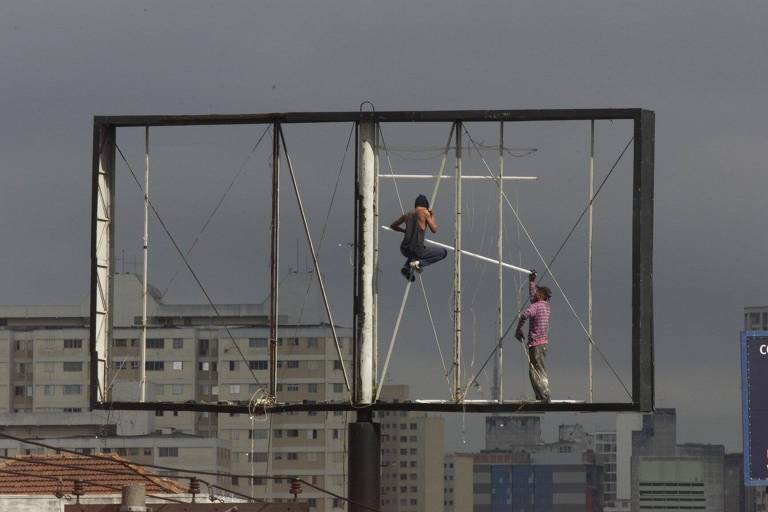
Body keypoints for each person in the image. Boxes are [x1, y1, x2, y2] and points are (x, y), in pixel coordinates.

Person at [389, 194, 448, 281]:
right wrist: (432, 215)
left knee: (414, 253)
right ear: (426, 206)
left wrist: (403, 230)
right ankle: (419, 264)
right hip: (417, 249)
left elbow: (392, 226)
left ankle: (407, 267)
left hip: (404, 249)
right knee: (443, 252)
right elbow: (434, 229)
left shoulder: (407, 214)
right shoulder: (425, 213)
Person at [515, 270, 552, 402]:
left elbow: (525, 314)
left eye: (537, 292)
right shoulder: (546, 306)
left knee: (535, 371)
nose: (535, 293)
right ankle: (542, 395)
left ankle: (544, 396)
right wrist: (532, 281)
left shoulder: (536, 307)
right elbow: (533, 297)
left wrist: (518, 329)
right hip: (542, 344)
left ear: (541, 296)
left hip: (535, 344)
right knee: (538, 369)